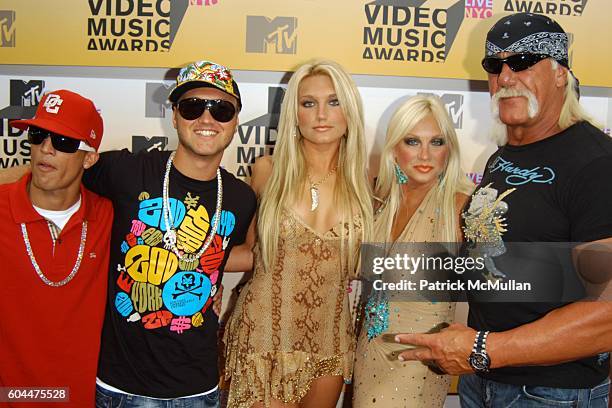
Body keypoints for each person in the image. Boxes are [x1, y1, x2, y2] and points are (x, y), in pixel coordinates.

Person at [394, 13, 612, 407]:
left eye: (524, 62)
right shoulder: (503, 157)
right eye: (495, 66)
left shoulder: (596, 164)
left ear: (561, 72)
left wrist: (483, 347)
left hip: (550, 393)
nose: (506, 77)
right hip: (482, 382)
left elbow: (607, 313)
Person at [80, 61, 256, 407]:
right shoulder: (126, 170)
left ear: (235, 122)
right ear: (174, 115)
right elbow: (54, 179)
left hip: (199, 388)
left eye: (221, 110)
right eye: (192, 107)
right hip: (121, 388)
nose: (207, 120)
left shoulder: (240, 197)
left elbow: (243, 253)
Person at [223, 59, 373, 408]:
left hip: (330, 343)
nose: (322, 114)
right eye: (309, 103)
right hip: (263, 339)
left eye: (334, 102)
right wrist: (194, 272)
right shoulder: (268, 170)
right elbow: (250, 252)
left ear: (349, 110)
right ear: (295, 113)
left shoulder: (365, 185)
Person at [352, 95, 473, 407]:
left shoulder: (461, 208)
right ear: (394, 149)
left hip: (418, 363)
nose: (424, 154)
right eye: (412, 141)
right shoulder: (378, 204)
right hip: (367, 356)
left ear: (449, 150)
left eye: (436, 142)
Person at [0, 90, 112, 407]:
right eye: (38, 135)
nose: (46, 149)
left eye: (64, 142)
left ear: (89, 158)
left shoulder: (109, 216)